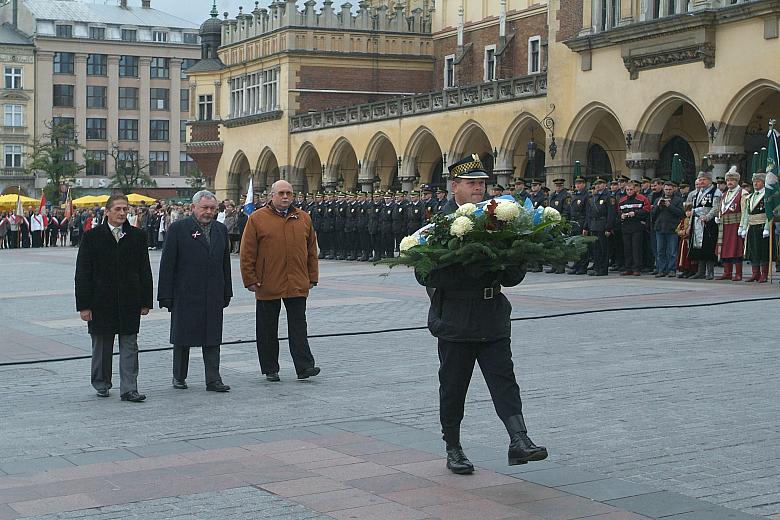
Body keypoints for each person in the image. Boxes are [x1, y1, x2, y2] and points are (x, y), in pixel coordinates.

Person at [415, 154, 548, 476]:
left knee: (505, 382)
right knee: (453, 387)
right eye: (471, 183)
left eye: (482, 183)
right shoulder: (439, 224)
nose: (478, 189)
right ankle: (454, 447)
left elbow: (512, 277)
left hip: (492, 315)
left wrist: (514, 260)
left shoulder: (498, 218)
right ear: (455, 186)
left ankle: (519, 439)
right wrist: (470, 267)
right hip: (455, 318)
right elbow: (424, 274)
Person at [240, 180, 320, 382]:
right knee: (267, 328)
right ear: (271, 196)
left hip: (296, 282)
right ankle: (270, 369)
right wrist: (249, 278)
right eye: (281, 193)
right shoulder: (257, 219)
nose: (285, 197)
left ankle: (304, 367)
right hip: (267, 282)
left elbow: (311, 251)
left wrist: (312, 277)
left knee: (299, 327)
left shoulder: (303, 218)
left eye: (289, 193)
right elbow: (247, 252)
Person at [75, 194, 152, 402]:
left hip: (129, 299)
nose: (122, 213)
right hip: (101, 301)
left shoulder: (137, 236)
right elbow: (83, 273)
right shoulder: (92, 237)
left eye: (125, 209)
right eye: (117, 209)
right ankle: (101, 383)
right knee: (102, 345)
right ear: (107, 211)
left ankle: (129, 388)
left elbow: (145, 269)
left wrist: (146, 300)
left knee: (129, 344)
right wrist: (84, 305)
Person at [157, 190, 232, 392]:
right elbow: (167, 265)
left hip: (213, 292)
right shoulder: (178, 229)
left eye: (212, 208)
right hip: (185, 292)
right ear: (193, 208)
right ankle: (179, 376)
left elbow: (225, 263)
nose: (208, 212)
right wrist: (165, 295)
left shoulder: (220, 230)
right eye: (204, 208)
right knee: (182, 337)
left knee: (213, 337)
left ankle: (213, 379)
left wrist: (227, 291)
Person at [687, 171, 722, 279]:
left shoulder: (715, 192)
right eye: (700, 179)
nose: (701, 181)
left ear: (709, 180)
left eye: (704, 179)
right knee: (699, 247)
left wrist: (707, 217)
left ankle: (710, 271)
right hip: (697, 222)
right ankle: (700, 271)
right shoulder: (698, 192)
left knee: (708, 246)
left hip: (709, 223)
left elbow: (716, 207)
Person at [739, 172, 771, 283]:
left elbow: (769, 213)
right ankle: (755, 273)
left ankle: (764, 274)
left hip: (762, 225)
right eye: (754, 181)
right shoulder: (750, 197)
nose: (755, 183)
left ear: (763, 182)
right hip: (752, 226)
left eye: (758, 181)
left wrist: (767, 227)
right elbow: (746, 213)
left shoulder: (767, 196)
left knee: (763, 250)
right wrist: (742, 227)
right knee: (753, 250)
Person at [716, 167, 745, 281]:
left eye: (732, 180)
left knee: (736, 248)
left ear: (737, 181)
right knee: (725, 248)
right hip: (725, 225)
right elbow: (722, 207)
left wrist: (743, 225)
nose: (729, 182)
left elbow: (744, 210)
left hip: (736, 224)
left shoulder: (743, 193)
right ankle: (727, 272)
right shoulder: (725, 194)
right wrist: (719, 217)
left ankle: (738, 273)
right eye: (728, 180)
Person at [618, 181, 651, 276]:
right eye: (627, 190)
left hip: (637, 226)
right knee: (627, 248)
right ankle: (628, 268)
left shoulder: (642, 199)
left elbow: (647, 210)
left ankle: (637, 268)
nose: (629, 191)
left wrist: (635, 213)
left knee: (636, 248)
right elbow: (618, 211)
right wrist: (622, 215)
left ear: (635, 189)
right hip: (626, 226)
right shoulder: (622, 200)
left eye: (631, 189)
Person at [584, 178, 616, 276]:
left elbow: (611, 214)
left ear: (605, 185)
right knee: (595, 248)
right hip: (594, 225)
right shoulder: (593, 197)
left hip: (603, 225)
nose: (598, 186)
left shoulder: (608, 197)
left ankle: (603, 269)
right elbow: (589, 213)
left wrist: (608, 228)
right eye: (596, 184)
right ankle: (596, 267)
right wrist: (587, 227)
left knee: (603, 248)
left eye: (600, 184)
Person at [652, 180, 684, 277]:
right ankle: (662, 269)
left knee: (672, 251)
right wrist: (657, 206)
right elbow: (653, 214)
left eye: (670, 189)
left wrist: (670, 206)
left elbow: (681, 213)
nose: (668, 191)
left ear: (673, 189)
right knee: (660, 251)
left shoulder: (678, 200)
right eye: (666, 189)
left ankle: (672, 269)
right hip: (660, 227)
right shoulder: (658, 199)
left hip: (672, 228)